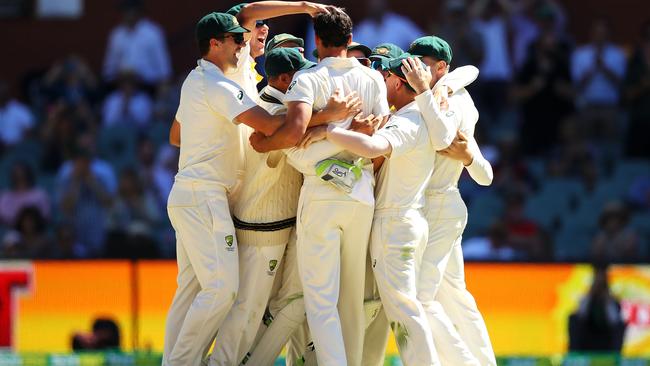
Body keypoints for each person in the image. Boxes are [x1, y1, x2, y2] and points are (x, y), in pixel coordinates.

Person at [163, 10, 337, 365]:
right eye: (237, 40)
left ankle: (176, 361)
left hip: (193, 193)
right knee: (222, 290)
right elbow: (271, 126)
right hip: (204, 194)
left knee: (192, 291)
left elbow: (175, 135)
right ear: (215, 44)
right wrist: (325, 115)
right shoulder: (219, 85)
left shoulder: (201, 80)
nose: (244, 45)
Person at [249, 7, 390, 365]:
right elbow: (379, 131)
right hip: (361, 187)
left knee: (320, 298)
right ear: (349, 38)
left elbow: (293, 133)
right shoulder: (373, 79)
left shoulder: (308, 78)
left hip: (320, 190)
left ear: (318, 40)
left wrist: (267, 143)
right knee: (353, 295)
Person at [318, 53, 440, 365]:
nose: (380, 82)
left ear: (399, 83)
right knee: (399, 309)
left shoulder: (408, 120)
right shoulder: (417, 115)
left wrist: (326, 131)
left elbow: (374, 147)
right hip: (405, 219)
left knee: (404, 310)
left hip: (395, 222)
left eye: (385, 77)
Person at [402, 35, 496, 365]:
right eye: (411, 61)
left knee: (421, 298)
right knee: (456, 297)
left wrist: (469, 156)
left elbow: (483, 173)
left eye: (423, 63)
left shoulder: (455, 103)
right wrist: (438, 87)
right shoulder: (432, 91)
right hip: (427, 206)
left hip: (440, 205)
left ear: (441, 67)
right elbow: (464, 71)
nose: (414, 70)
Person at [103, 0, 171, 86]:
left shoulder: (153, 33)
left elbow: (164, 70)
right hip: (121, 87)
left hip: (147, 87)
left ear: (138, 11)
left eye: (130, 10)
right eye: (125, 11)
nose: (127, 14)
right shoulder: (116, 35)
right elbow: (109, 69)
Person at [568, 265, 626, 352]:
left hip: (606, 342)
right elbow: (580, 317)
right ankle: (576, 358)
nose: (600, 282)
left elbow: (615, 323)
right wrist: (591, 294)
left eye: (602, 278)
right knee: (573, 319)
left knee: (619, 324)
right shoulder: (587, 298)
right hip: (587, 340)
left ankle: (614, 358)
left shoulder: (612, 301)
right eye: (597, 277)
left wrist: (606, 298)